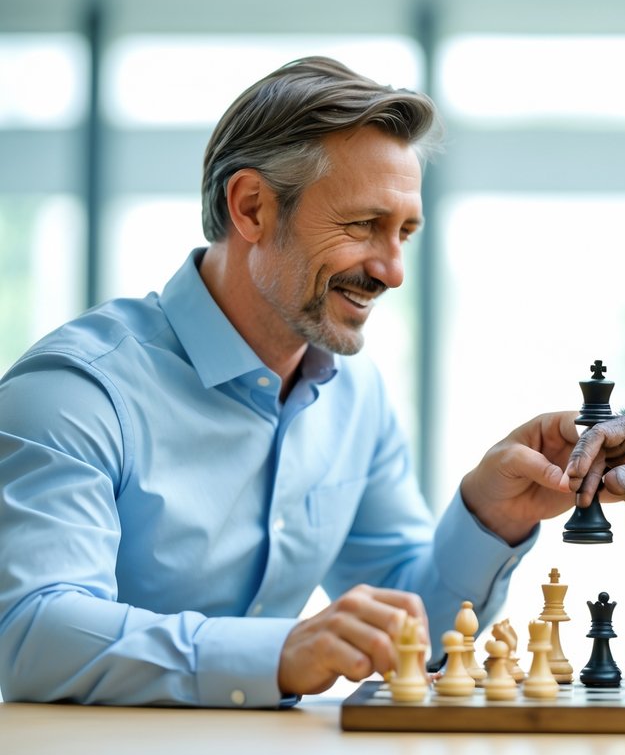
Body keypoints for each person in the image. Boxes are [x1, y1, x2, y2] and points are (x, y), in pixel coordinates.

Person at [0, 56, 580, 708]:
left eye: (404, 234)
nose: (392, 271)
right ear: (251, 208)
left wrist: (490, 517)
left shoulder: (357, 400)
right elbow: (31, 636)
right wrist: (280, 652)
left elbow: (415, 634)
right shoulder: (75, 393)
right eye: (364, 226)